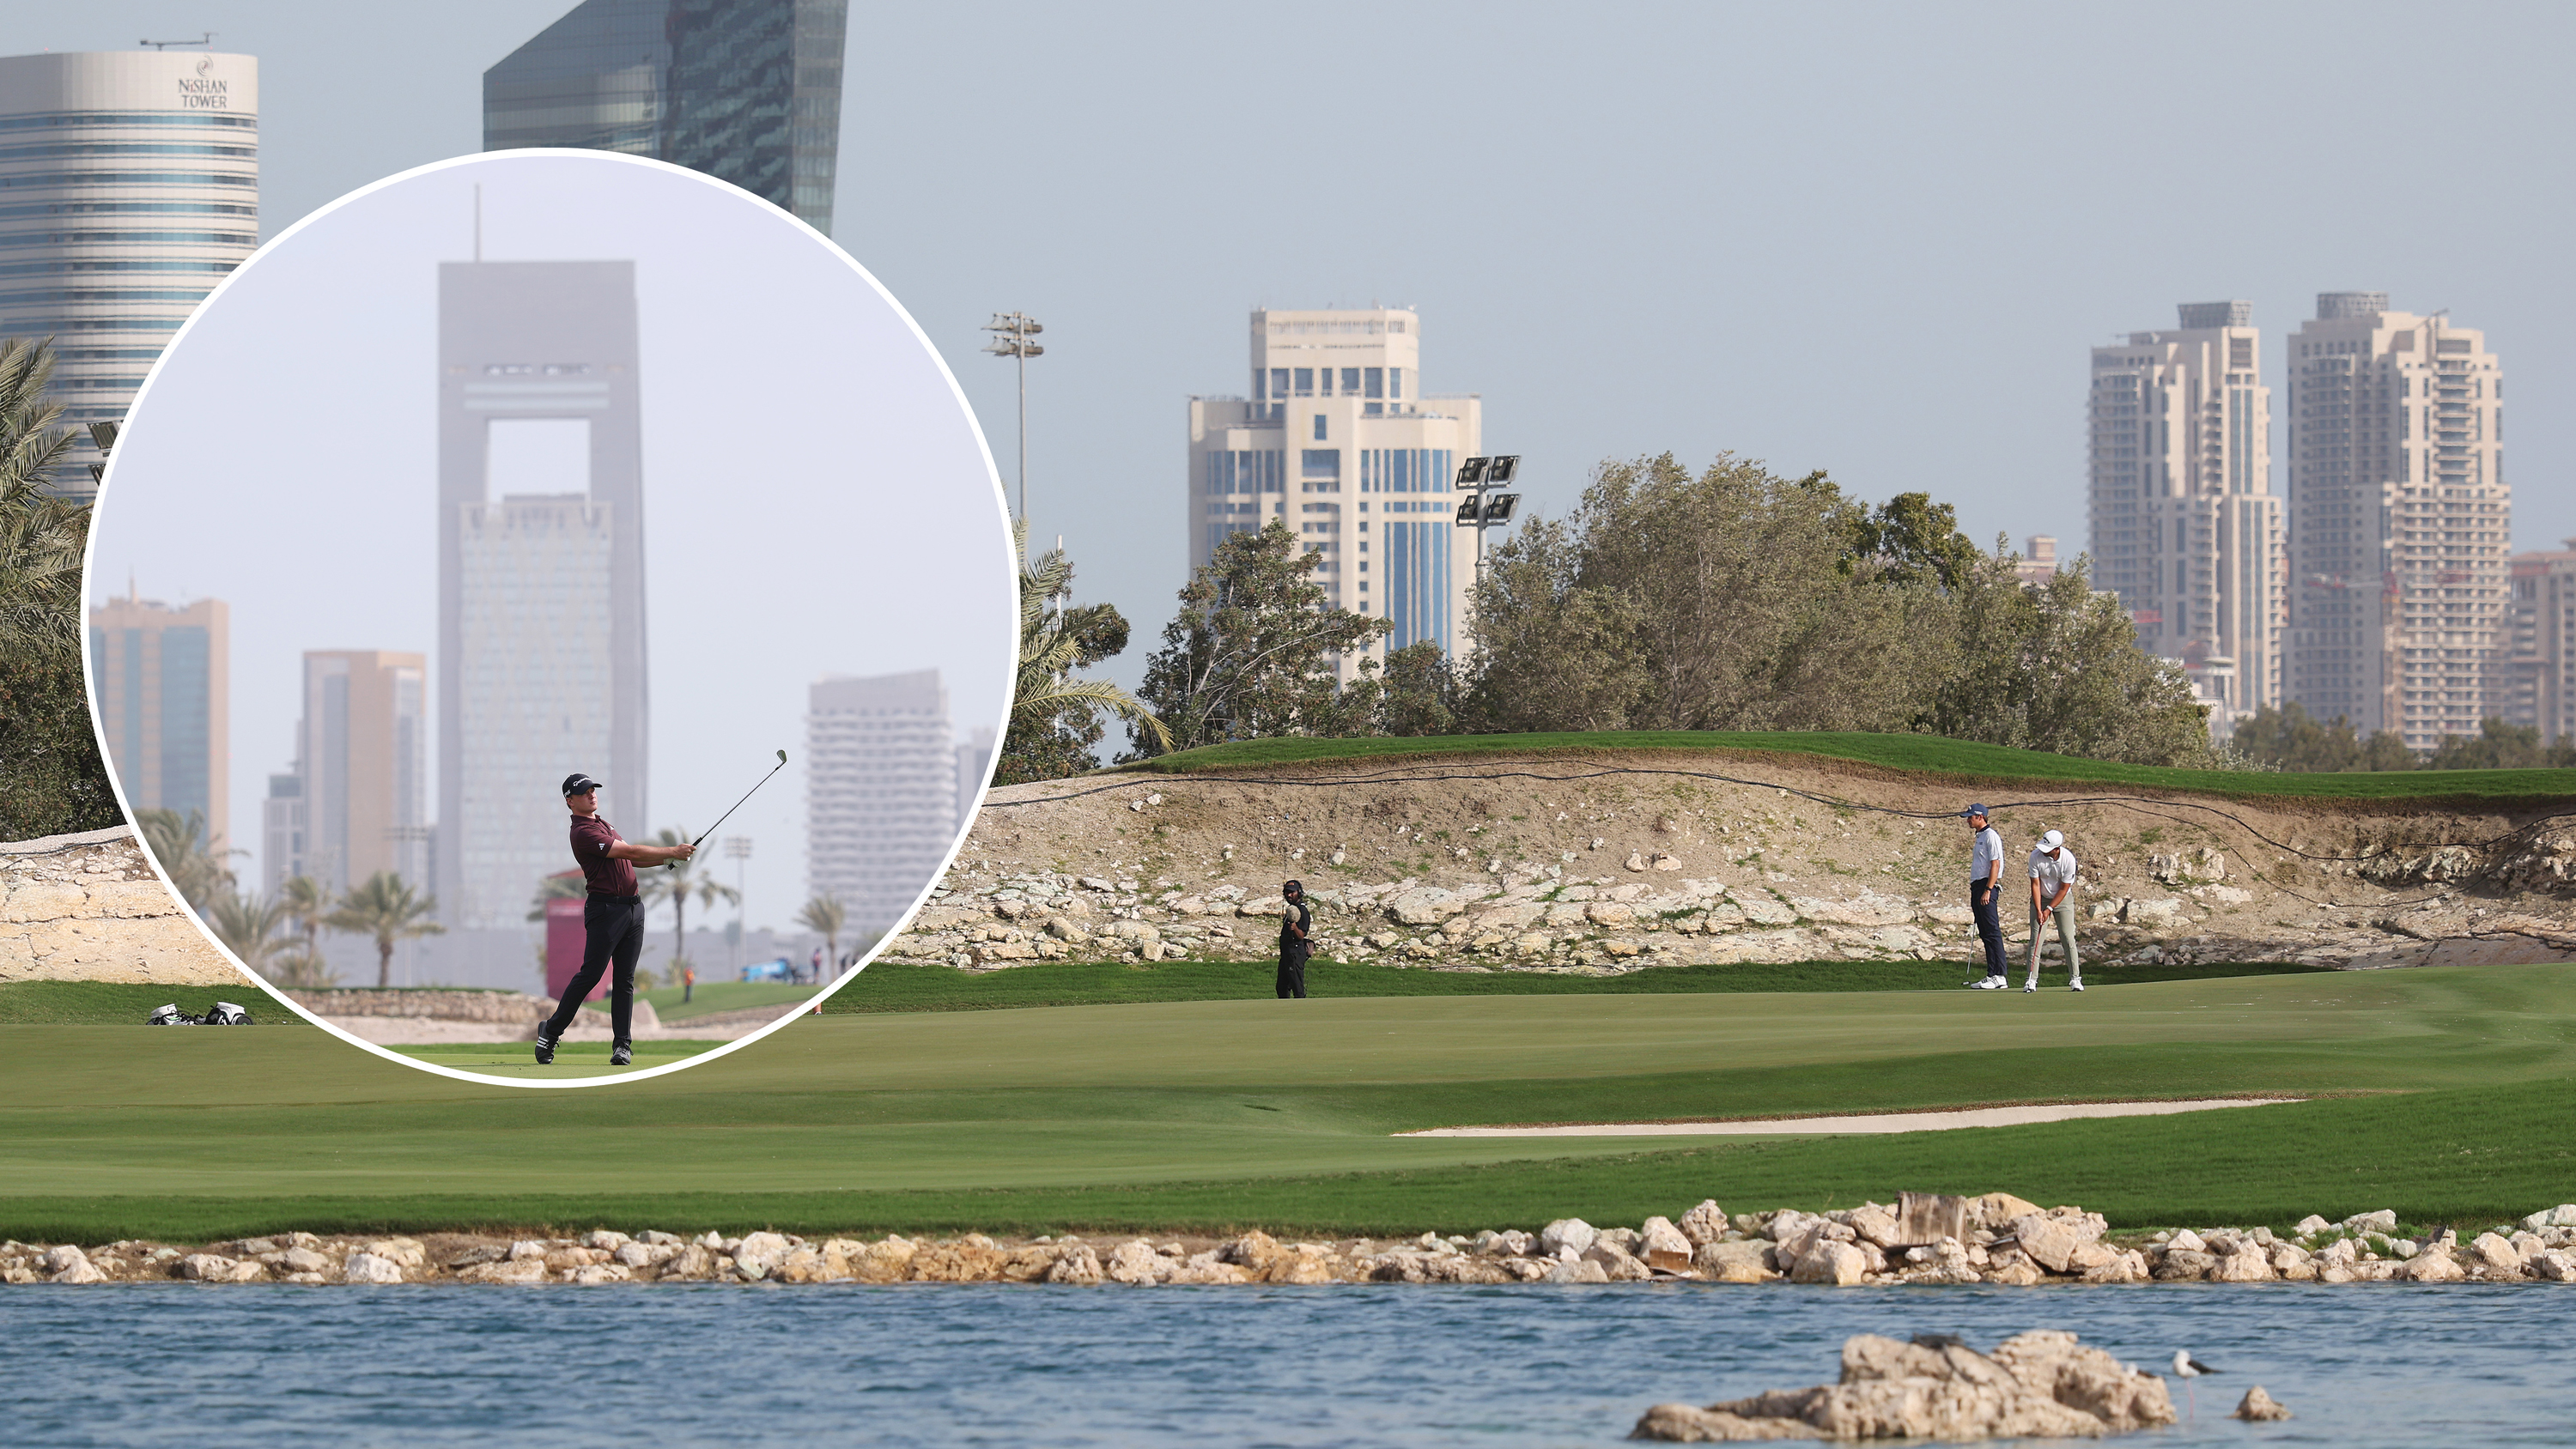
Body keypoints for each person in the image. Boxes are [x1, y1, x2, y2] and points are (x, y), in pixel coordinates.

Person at [537, 772, 696, 1067]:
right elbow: (630, 850)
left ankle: (622, 1046)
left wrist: (666, 860)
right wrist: (672, 850)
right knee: (591, 976)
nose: (591, 795)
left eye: (592, 790)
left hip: (633, 909)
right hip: (605, 911)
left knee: (625, 980)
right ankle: (551, 1031)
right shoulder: (583, 833)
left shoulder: (602, 824)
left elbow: (632, 859)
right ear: (570, 801)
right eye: (583, 793)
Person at [2025, 828, 2082, 992]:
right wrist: (2038, 909)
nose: (2043, 851)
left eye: (2047, 848)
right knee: (2036, 939)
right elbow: (2035, 884)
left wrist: (2049, 909)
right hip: (2040, 899)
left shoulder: (2068, 860)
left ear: (2057, 849)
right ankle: (2031, 980)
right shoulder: (2035, 856)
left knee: (2067, 937)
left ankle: (2075, 979)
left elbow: (2064, 889)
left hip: (2063, 900)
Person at [1960, 805, 2008, 989]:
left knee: (1992, 931)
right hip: (1978, 886)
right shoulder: (1980, 837)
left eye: (1970, 817)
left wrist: (1988, 889)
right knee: (1985, 933)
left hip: (1987, 885)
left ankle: (2000, 975)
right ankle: (1992, 974)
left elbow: (1995, 864)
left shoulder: (1991, 836)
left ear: (1980, 817)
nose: (1968, 820)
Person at [1277, 879, 1312, 999]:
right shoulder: (1292, 909)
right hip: (1287, 953)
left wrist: (1294, 928)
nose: (1289, 895)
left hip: (1295, 953)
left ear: (1299, 893)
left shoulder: (1302, 910)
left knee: (1297, 987)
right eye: (1287, 892)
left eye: (1292, 892)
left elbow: (1301, 935)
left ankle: (1301, 1013)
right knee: (1281, 987)